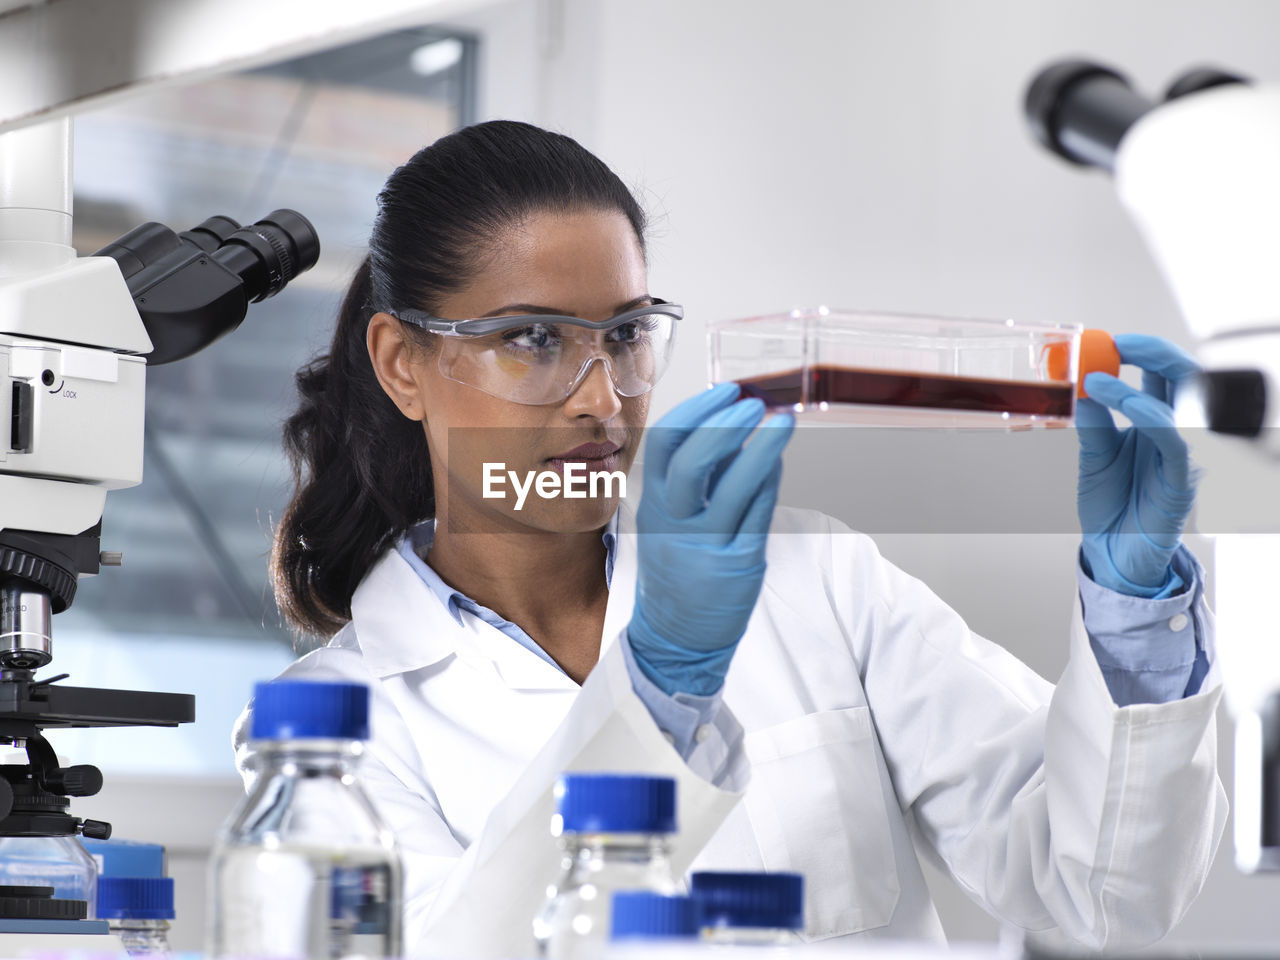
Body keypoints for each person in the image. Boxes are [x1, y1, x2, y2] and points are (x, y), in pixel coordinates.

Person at [234, 120, 1224, 958]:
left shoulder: (816, 580)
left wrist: (1132, 609)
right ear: (403, 363)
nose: (604, 399)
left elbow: (1102, 896)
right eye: (533, 338)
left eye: (625, 334)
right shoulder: (330, 728)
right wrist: (660, 683)